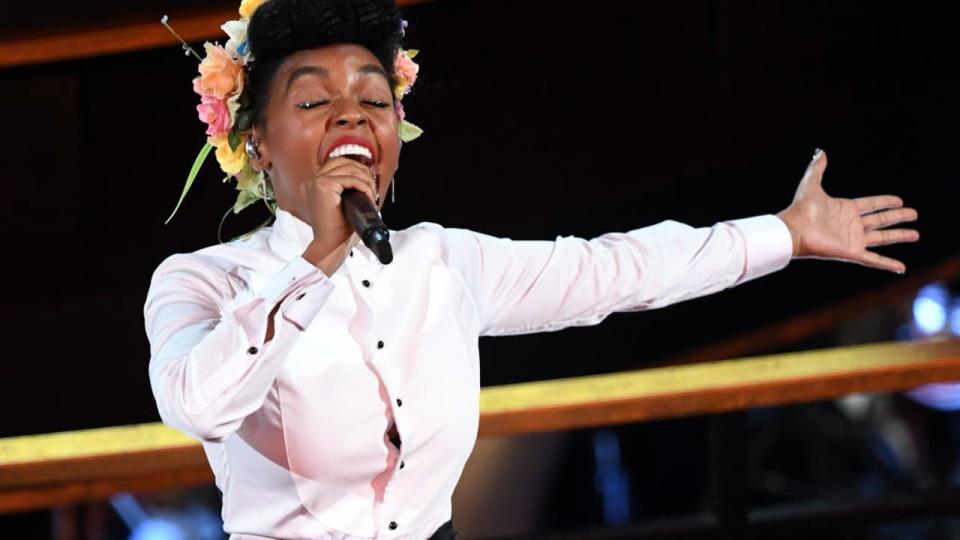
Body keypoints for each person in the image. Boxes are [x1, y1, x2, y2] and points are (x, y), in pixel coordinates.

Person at [143, 0, 920, 538]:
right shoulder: (202, 282)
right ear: (256, 141)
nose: (352, 116)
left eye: (373, 100)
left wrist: (784, 235)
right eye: (314, 104)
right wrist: (317, 255)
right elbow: (196, 404)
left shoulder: (443, 262)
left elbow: (615, 270)